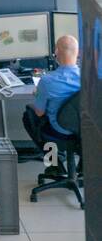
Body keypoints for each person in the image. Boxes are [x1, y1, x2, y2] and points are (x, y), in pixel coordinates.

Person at [22, 35, 81, 166]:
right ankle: (83, 168)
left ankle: (55, 164)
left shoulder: (47, 81)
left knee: (29, 116)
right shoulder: (91, 78)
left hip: (60, 131)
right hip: (85, 130)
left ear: (56, 53)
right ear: (78, 53)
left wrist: (38, 94)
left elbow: (39, 113)